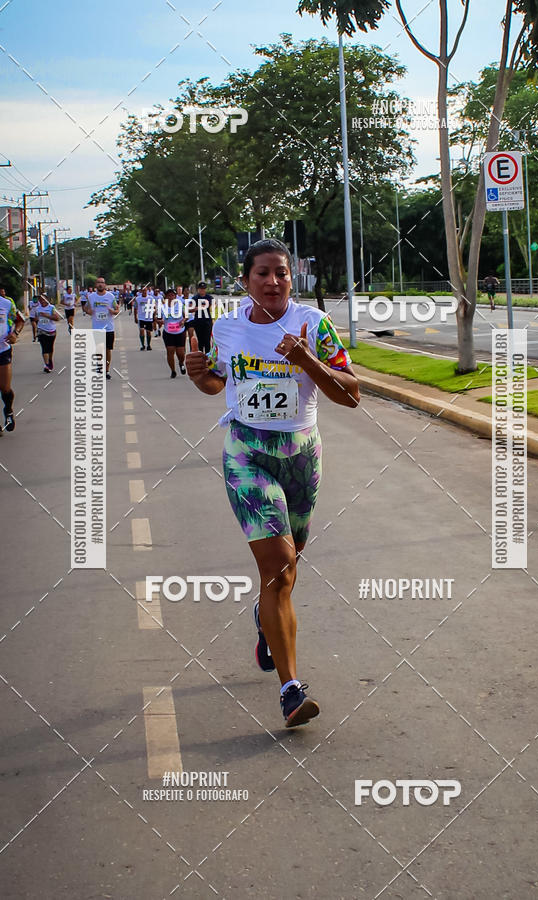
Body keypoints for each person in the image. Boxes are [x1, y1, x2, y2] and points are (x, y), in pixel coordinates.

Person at [186, 239, 360, 727]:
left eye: (281, 272)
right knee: (279, 570)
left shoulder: (313, 324)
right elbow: (217, 381)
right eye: (262, 272)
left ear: (291, 278)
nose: (273, 281)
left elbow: (352, 395)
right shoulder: (228, 327)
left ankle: (266, 621)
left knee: (290, 564)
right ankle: (290, 690)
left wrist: (307, 361)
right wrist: (200, 377)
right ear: (246, 280)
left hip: (301, 456)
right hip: (247, 453)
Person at [82, 277, 119, 379]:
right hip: (97, 327)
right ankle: (99, 367)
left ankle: (106, 370)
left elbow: (117, 309)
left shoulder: (110, 296)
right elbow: (85, 308)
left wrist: (113, 311)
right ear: (96, 285)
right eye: (98, 282)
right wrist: (88, 311)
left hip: (109, 328)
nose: (100, 284)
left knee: (107, 350)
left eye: (102, 282)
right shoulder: (91, 297)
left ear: (105, 284)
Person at [0, 286, 24, 431]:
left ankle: (8, 410)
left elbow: (20, 320)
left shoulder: (6, 304)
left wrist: (15, 333)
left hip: (2, 350)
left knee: (5, 388)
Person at [157, 287, 187, 378]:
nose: (171, 297)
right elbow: (157, 319)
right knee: (170, 352)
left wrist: (183, 321)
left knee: (180, 353)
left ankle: (181, 363)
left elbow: (186, 316)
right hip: (168, 333)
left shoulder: (180, 305)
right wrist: (160, 321)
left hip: (180, 332)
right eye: (169, 296)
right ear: (166, 297)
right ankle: (173, 371)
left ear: (175, 297)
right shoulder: (162, 307)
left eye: (173, 295)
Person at [34, 292, 60, 372]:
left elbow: (57, 318)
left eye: (43, 299)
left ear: (47, 299)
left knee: (50, 348)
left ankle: (50, 360)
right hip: (41, 331)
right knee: (44, 348)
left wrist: (46, 315)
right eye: (40, 300)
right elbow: (35, 319)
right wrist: (36, 321)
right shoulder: (37, 309)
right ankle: (46, 364)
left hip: (51, 331)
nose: (42, 301)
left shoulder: (51, 307)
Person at [190, 281, 213, 352]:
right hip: (198, 321)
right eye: (201, 288)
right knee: (200, 341)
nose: (202, 290)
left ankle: (207, 356)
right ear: (198, 289)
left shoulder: (209, 297)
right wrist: (199, 307)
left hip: (207, 321)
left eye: (204, 288)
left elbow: (211, 306)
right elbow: (190, 309)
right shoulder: (195, 298)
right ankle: (200, 355)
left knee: (207, 341)